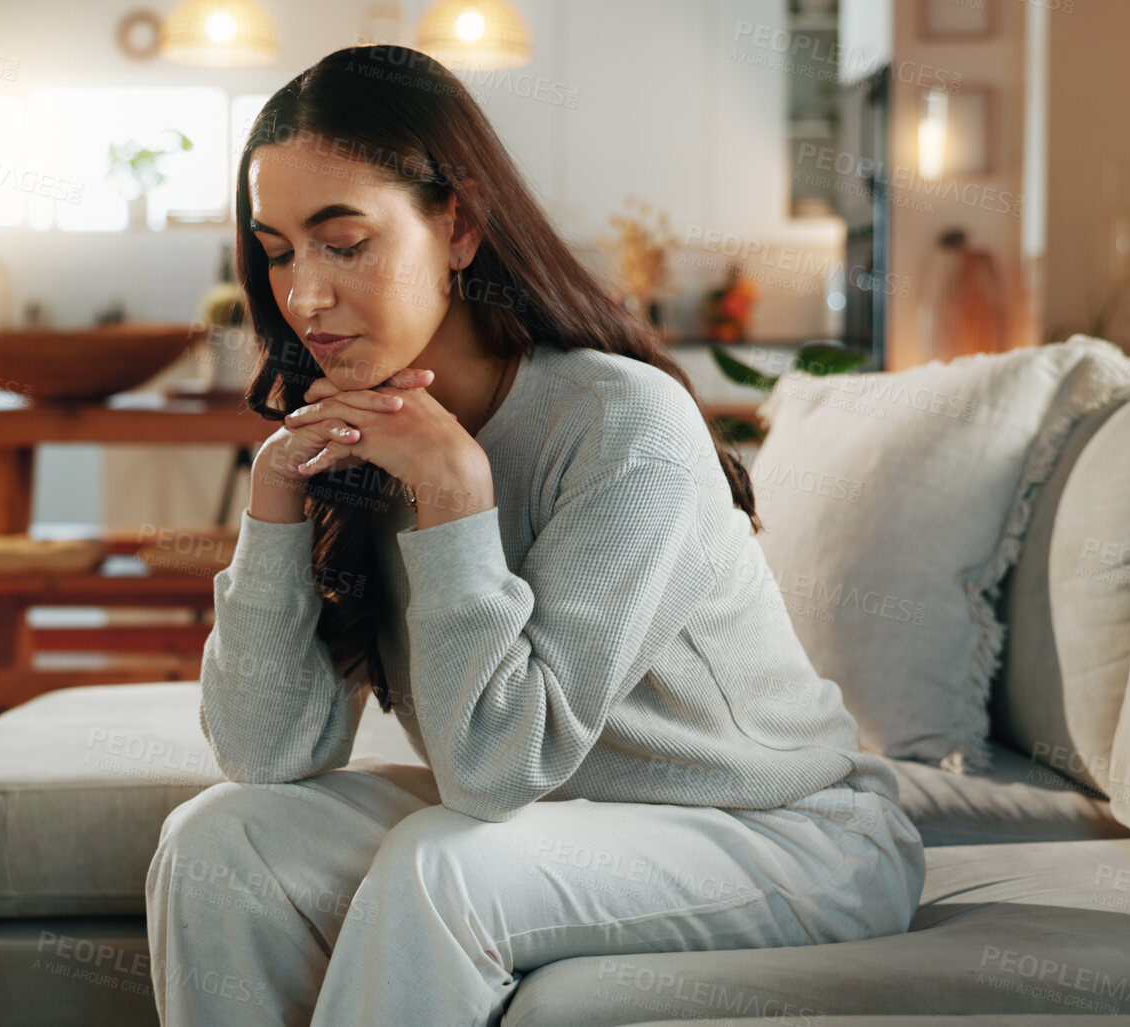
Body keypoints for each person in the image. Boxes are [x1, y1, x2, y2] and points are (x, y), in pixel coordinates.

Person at [144, 43, 925, 1027]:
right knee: (221, 838)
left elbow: (491, 773)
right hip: (550, 825)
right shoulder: (360, 429)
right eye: (278, 250)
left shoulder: (622, 424)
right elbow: (265, 754)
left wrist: (457, 494)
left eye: (344, 242)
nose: (304, 295)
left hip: (781, 833)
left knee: (445, 868)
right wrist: (274, 504)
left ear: (459, 225)